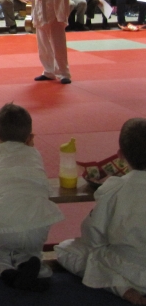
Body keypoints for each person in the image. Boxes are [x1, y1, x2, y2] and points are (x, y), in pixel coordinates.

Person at [55, 118, 146, 304]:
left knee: (65, 249)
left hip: (128, 270)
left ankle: (122, 288)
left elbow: (92, 236)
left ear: (120, 155)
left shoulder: (115, 188)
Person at [0, 103, 64, 291]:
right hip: (39, 220)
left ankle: (6, 271)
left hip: (4, 221)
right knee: (31, 250)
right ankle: (30, 263)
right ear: (30, 138)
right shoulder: (34, 153)